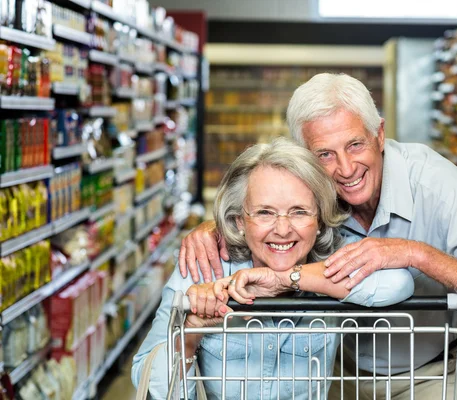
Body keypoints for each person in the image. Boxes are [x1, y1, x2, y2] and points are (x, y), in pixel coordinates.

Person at [178, 73, 457, 399]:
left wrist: (417, 254)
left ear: (379, 134)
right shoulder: (312, 190)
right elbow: (265, 206)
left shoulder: (435, 184)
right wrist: (218, 225)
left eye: (355, 145)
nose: (346, 169)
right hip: (336, 373)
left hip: (431, 371)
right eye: (324, 154)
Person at [132, 137, 414, 399]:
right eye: (265, 212)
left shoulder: (332, 257)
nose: (282, 229)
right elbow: (149, 382)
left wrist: (285, 279)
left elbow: (398, 283)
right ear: (240, 221)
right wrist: (190, 333)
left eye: (299, 212)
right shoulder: (204, 267)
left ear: (320, 220)